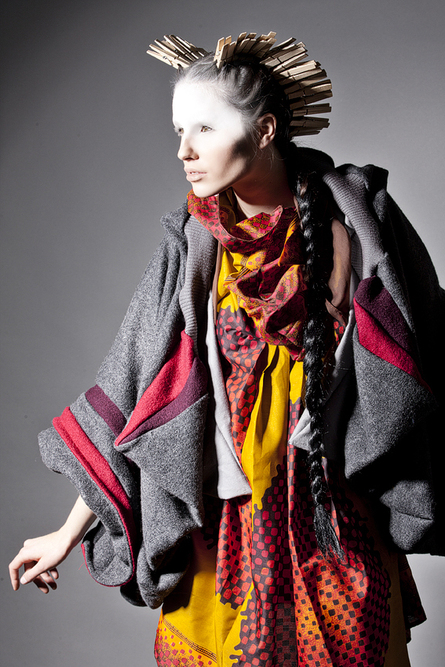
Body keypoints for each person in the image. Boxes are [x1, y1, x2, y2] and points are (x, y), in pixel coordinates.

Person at [8, 32, 445, 667]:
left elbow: (425, 356)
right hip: (228, 538)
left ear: (265, 130)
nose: (184, 150)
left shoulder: (360, 228)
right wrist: (66, 533)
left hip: (336, 527)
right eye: (179, 131)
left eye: (205, 129)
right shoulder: (190, 252)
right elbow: (137, 395)